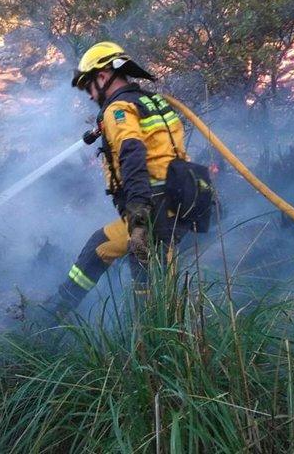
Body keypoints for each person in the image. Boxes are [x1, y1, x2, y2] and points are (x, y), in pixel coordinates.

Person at [38, 41, 195, 320]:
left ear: (102, 76)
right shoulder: (152, 101)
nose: (88, 95)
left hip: (152, 208)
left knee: (143, 280)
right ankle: (174, 341)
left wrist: (137, 216)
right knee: (142, 270)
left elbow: (133, 154)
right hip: (177, 200)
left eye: (88, 86)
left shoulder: (117, 110)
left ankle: (51, 319)